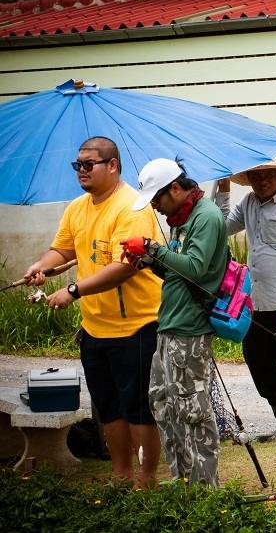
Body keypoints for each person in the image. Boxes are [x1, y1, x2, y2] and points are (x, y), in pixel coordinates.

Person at [22, 136, 162, 488]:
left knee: (139, 408)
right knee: (108, 407)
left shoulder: (131, 207)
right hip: (95, 327)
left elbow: (126, 266)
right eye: (77, 165)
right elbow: (63, 249)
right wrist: (42, 265)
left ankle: (145, 480)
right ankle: (120, 474)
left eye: (89, 164)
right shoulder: (77, 208)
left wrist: (72, 290)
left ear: (112, 165)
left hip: (137, 325)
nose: (81, 171)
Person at [123, 158, 229, 486]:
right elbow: (177, 272)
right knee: (163, 403)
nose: (155, 206)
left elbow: (196, 269)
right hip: (169, 324)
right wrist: (150, 261)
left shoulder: (206, 216)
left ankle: (204, 490)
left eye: (158, 198)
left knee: (193, 410)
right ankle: (181, 480)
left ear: (176, 188)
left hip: (190, 329)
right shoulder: (180, 219)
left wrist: (155, 248)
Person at [214, 160, 276, 443]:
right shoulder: (248, 203)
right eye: (256, 175)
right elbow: (220, 227)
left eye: (268, 174)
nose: (263, 180)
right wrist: (223, 191)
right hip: (257, 303)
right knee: (258, 361)